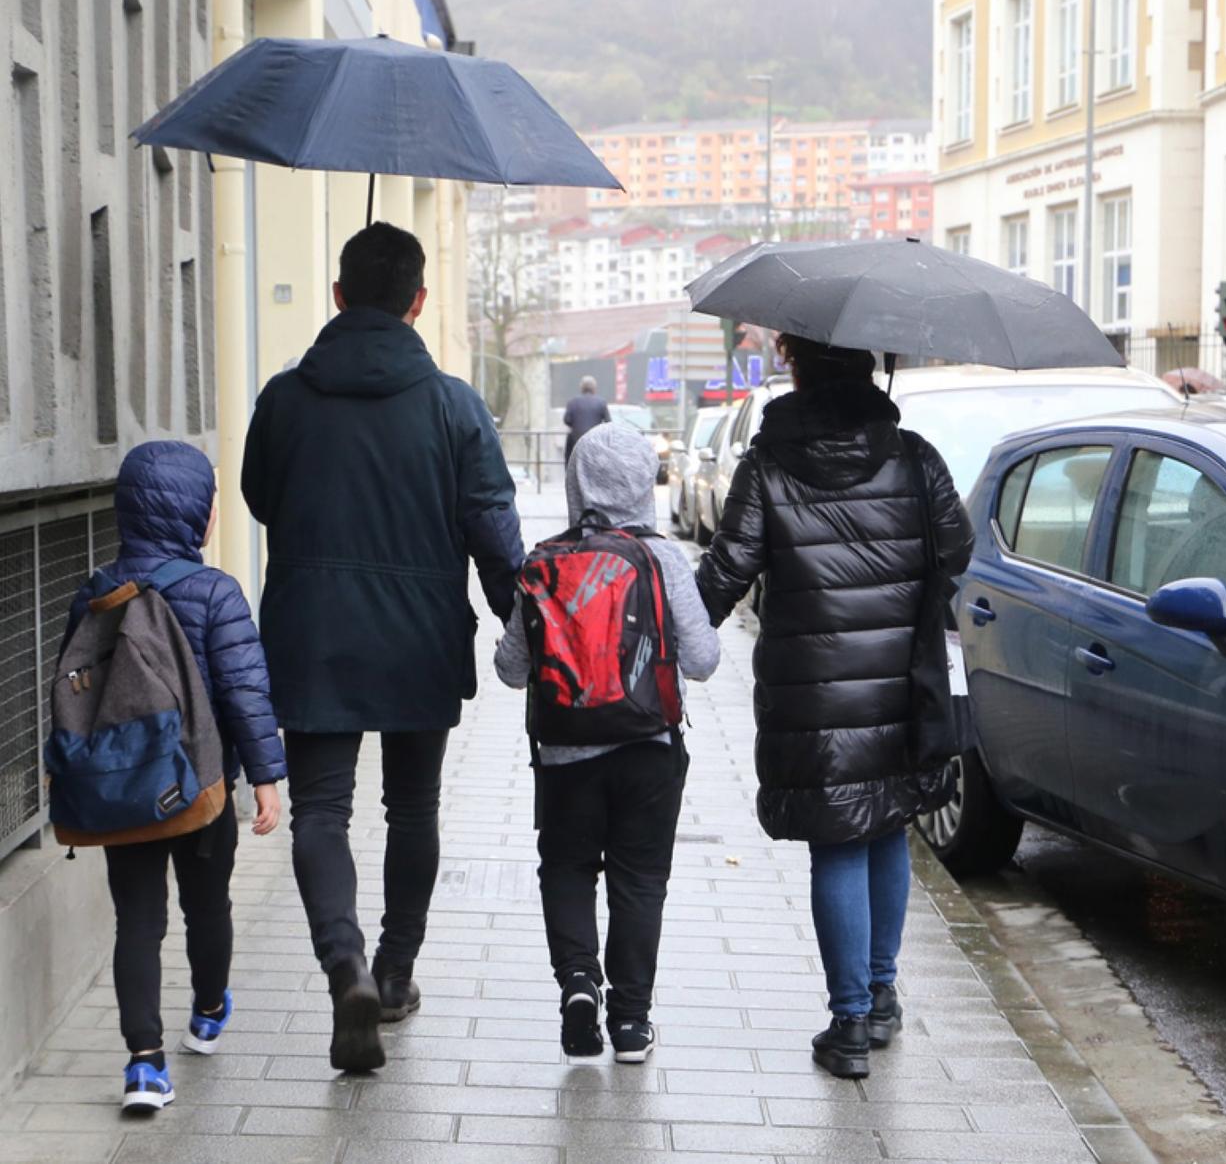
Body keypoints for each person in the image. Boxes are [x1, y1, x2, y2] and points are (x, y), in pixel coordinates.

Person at [241, 221, 524, 1073]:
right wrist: (525, 627)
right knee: (413, 807)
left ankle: (346, 967)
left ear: (337, 296)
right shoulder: (455, 406)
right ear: (419, 301)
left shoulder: (284, 399)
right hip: (419, 636)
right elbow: (493, 530)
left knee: (322, 810)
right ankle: (395, 975)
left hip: (312, 631)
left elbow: (260, 499)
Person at [696, 336, 973, 1079]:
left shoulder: (768, 463)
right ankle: (880, 996)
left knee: (840, 839)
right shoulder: (913, 456)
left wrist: (668, 634)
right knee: (887, 825)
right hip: (902, 681)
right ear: (866, 364)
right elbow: (957, 547)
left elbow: (726, 571)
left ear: (797, 365)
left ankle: (849, 1023)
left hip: (812, 689)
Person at [60, 441, 285, 1112]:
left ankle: (144, 1066)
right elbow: (246, 693)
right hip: (201, 787)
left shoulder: (96, 593)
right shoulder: (215, 592)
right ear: (198, 515)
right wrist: (266, 778)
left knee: (137, 920)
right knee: (207, 905)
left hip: (123, 789)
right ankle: (209, 1013)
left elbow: (75, 694)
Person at [494, 423, 720, 1062]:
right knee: (640, 879)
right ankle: (630, 1023)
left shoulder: (544, 562)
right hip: (649, 747)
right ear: (645, 484)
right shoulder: (662, 559)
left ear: (576, 481)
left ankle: (577, 980)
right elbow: (703, 660)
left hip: (565, 754)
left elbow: (510, 669)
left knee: (566, 867)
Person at [563, 375, 611, 464]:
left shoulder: (572, 402)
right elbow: (608, 421)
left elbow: (567, 420)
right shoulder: (601, 402)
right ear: (594, 388)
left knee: (569, 447)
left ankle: (568, 467)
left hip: (576, 440)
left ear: (581, 388)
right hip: (595, 440)